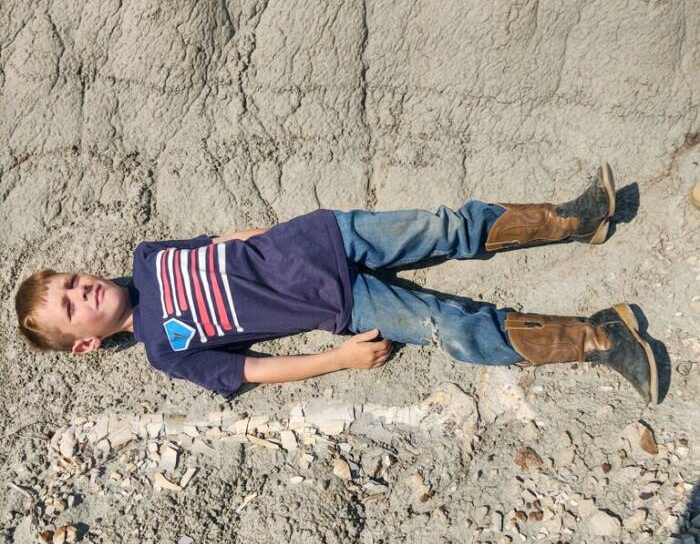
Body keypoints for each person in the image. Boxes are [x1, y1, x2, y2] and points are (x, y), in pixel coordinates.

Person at [14, 164, 658, 405]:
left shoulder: (148, 255)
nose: (83, 291)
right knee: (452, 328)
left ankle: (575, 220)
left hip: (327, 237)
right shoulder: (164, 349)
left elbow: (215, 245)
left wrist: (249, 237)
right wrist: (337, 359)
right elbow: (251, 372)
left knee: (445, 225)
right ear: (84, 344)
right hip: (340, 304)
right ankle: (599, 338)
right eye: (72, 305)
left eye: (74, 280)